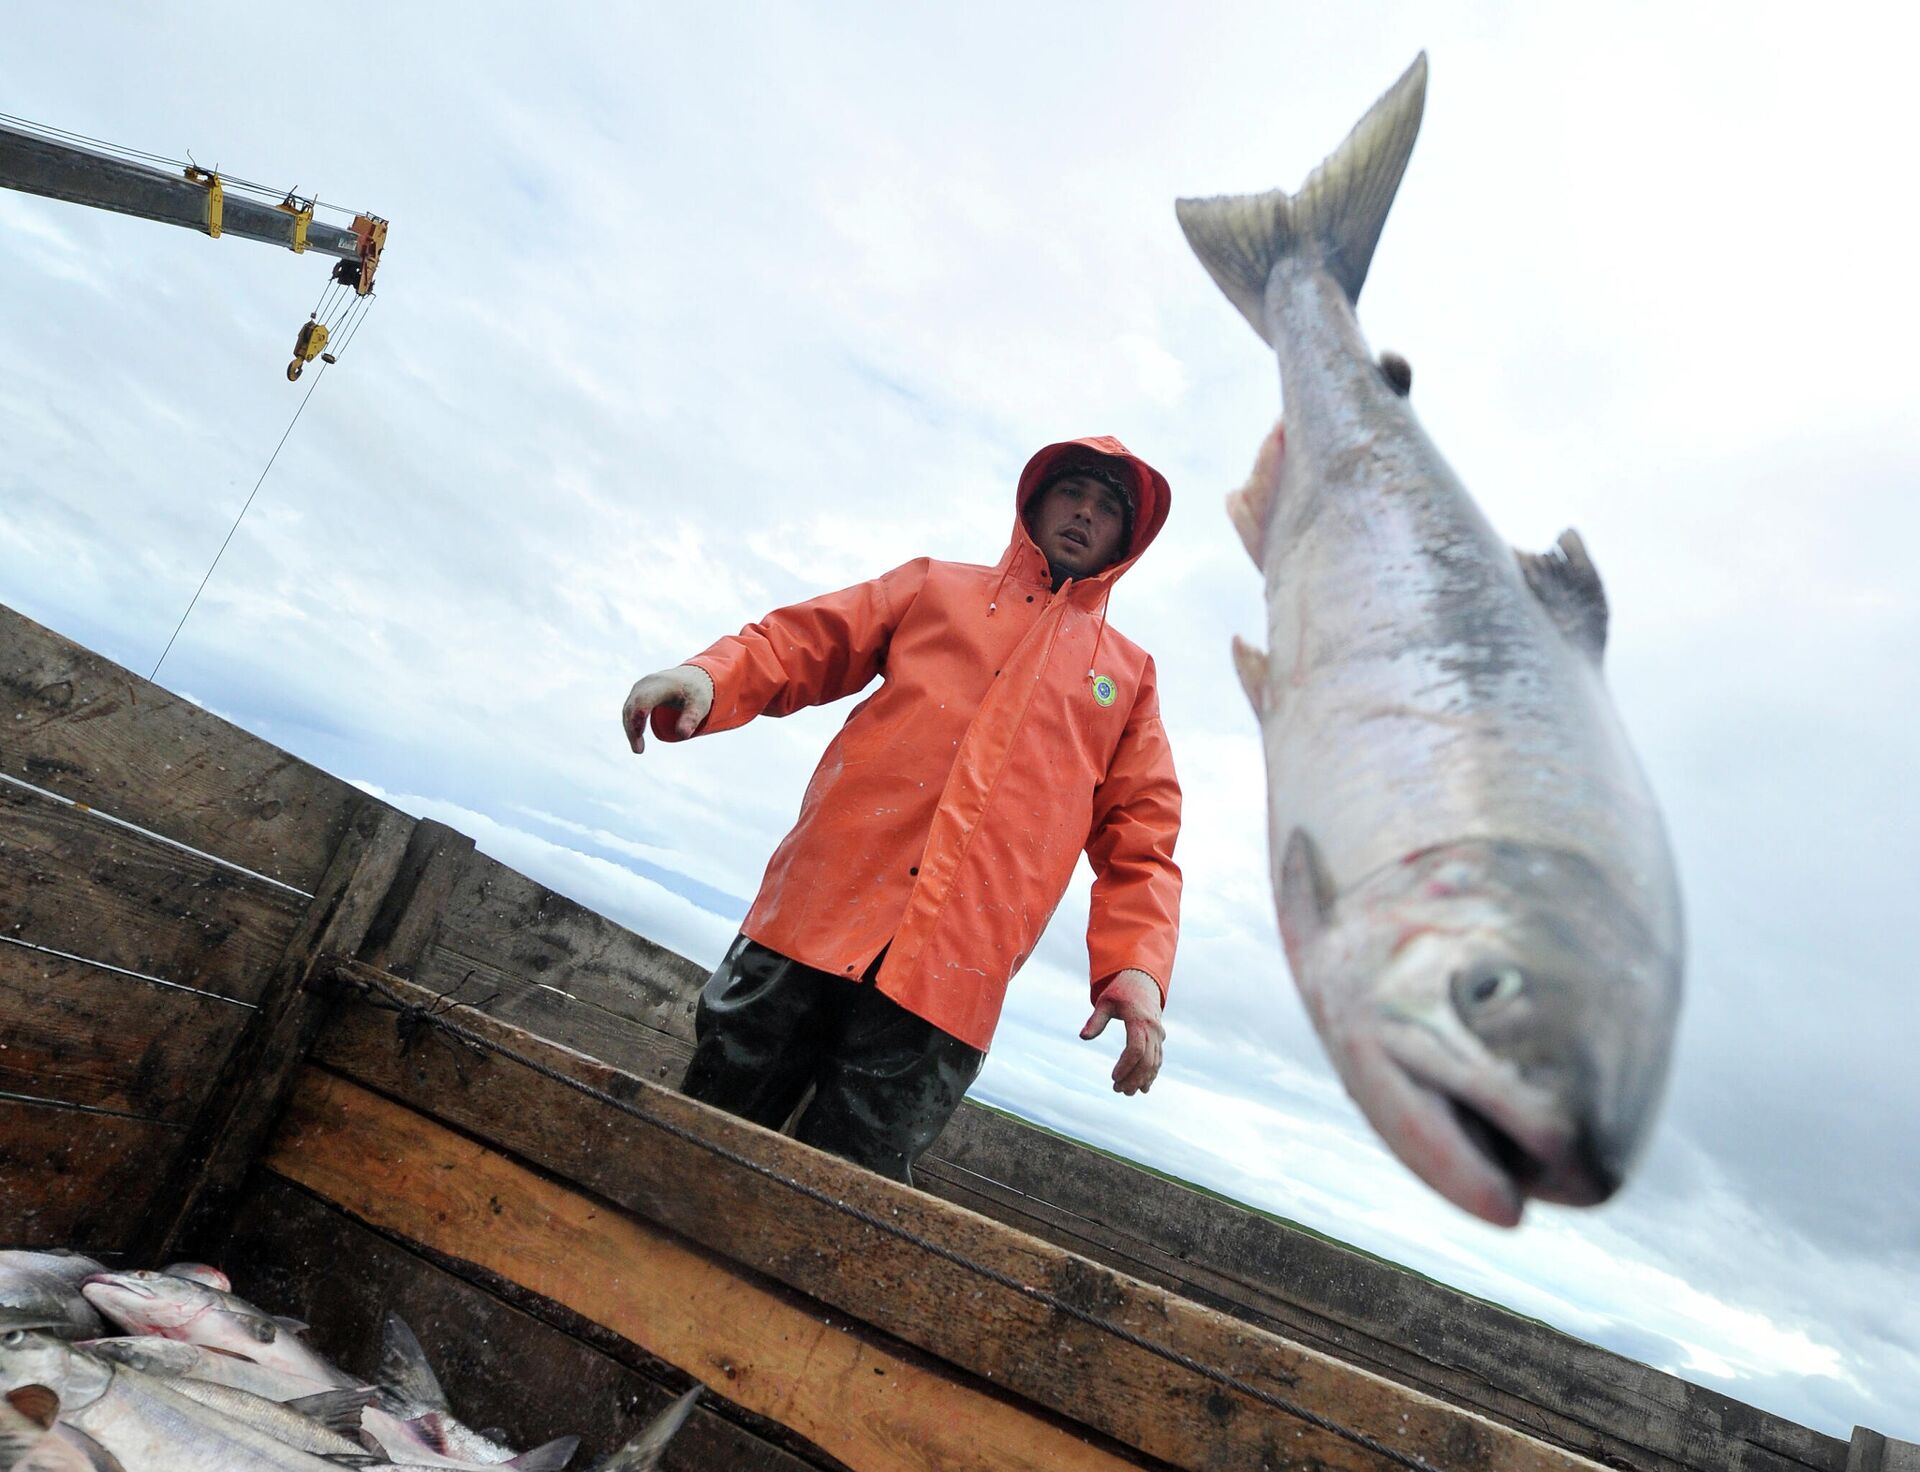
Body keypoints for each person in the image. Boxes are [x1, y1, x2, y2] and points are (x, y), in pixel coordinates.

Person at [621, 436, 1182, 1184]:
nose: (1085, 513)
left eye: (1108, 507)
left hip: (952, 976)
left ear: (1127, 538)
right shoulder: (933, 587)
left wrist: (1136, 970)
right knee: (698, 1137)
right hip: (813, 917)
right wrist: (708, 677)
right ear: (1035, 502)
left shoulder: (1129, 678)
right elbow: (802, 642)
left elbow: (1143, 841)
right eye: (1072, 492)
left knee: (848, 1198)